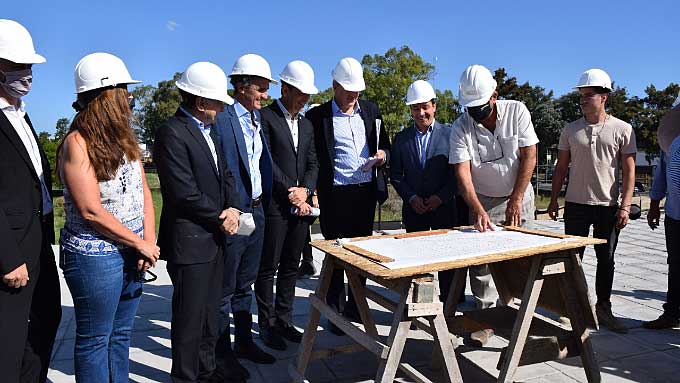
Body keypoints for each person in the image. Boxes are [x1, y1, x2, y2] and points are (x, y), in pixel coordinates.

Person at [58, 52, 159, 382]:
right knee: (95, 340)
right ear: (106, 95)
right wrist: (138, 243)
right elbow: (90, 211)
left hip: (132, 250)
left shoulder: (125, 138)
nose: (130, 97)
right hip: (95, 259)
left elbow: (143, 191)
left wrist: (148, 241)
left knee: (121, 334)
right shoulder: (77, 143)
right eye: (125, 91)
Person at [154, 61, 241, 383]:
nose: (221, 108)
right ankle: (186, 377)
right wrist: (220, 215)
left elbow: (226, 175)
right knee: (189, 320)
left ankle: (208, 371)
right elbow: (182, 192)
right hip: (190, 243)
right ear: (200, 101)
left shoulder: (211, 131)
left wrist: (232, 208)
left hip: (215, 238)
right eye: (217, 102)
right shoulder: (172, 132)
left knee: (208, 316)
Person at [449, 64, 538, 344]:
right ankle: (484, 319)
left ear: (494, 96)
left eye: (480, 106)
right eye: (470, 108)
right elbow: (462, 173)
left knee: (523, 261)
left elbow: (529, 156)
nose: (475, 113)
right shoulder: (461, 125)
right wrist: (477, 209)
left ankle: (521, 319)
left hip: (518, 196)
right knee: (482, 264)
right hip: (482, 199)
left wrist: (517, 198)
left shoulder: (517, 111)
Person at [547, 68, 636, 334]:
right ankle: (570, 307)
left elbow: (629, 169)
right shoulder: (571, 129)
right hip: (575, 205)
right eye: (581, 95)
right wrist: (553, 200)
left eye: (589, 95)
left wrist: (626, 204)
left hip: (607, 206)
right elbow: (561, 168)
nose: (583, 99)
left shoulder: (622, 129)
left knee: (606, 259)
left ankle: (603, 309)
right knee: (572, 259)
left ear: (604, 96)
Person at [306, 57, 390, 334]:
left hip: (364, 194)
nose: (353, 97)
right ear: (334, 86)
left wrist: (382, 156)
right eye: (348, 91)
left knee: (361, 255)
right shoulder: (317, 117)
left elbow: (384, 145)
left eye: (357, 92)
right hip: (335, 196)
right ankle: (334, 310)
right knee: (336, 256)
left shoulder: (371, 110)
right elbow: (313, 157)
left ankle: (356, 304)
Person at [0, 19, 61, 382]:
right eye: (18, 66)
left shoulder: (21, 114)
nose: (27, 74)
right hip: (12, 253)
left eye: (30, 67)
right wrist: (7, 259)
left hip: (38, 244)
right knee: (7, 341)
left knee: (44, 321)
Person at [215, 53, 275, 370]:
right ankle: (222, 353)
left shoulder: (257, 119)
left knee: (245, 282)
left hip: (256, 212)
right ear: (242, 86)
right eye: (261, 89)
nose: (266, 95)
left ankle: (244, 343)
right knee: (226, 286)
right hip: (234, 215)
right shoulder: (223, 120)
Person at [255, 60, 319, 350]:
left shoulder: (306, 124)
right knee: (268, 267)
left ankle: (284, 319)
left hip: (300, 208)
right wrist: (290, 193)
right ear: (287, 88)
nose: (305, 99)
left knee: (292, 266)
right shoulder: (266, 118)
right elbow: (265, 159)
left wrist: (305, 191)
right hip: (275, 206)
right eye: (301, 93)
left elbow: (312, 163)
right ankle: (266, 325)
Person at [390, 80, 458, 303]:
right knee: (416, 261)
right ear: (410, 109)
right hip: (415, 211)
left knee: (447, 259)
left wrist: (441, 197)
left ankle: (449, 302)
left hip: (444, 209)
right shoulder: (401, 139)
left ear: (434, 106)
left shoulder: (450, 135)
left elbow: (458, 174)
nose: (421, 113)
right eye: (415, 108)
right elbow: (396, 176)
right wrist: (411, 198)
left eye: (425, 107)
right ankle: (418, 304)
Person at [643, 102, 680, 329]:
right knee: (675, 264)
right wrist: (654, 204)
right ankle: (672, 313)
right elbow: (662, 174)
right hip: (675, 215)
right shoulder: (671, 142)